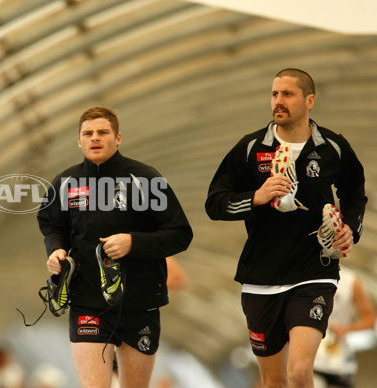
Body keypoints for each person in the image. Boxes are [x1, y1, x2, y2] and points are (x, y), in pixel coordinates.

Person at [205, 68, 367, 388]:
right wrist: (257, 196)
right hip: (260, 278)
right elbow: (215, 204)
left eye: (287, 94)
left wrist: (349, 228)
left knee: (299, 372)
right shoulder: (251, 148)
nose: (278, 101)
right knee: (274, 381)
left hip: (314, 273)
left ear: (309, 101)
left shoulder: (332, 147)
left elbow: (354, 194)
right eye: (274, 94)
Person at [37, 106, 193, 388]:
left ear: (117, 138)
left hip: (140, 304)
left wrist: (133, 242)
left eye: (102, 132)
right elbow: (52, 225)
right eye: (88, 133)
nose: (95, 138)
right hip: (88, 302)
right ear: (79, 141)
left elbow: (180, 234)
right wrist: (56, 250)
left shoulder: (145, 179)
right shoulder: (65, 183)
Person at [313, 265, 376, 387]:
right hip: (312, 358)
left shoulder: (351, 280)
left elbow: (370, 319)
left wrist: (346, 329)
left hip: (339, 361)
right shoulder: (305, 275)